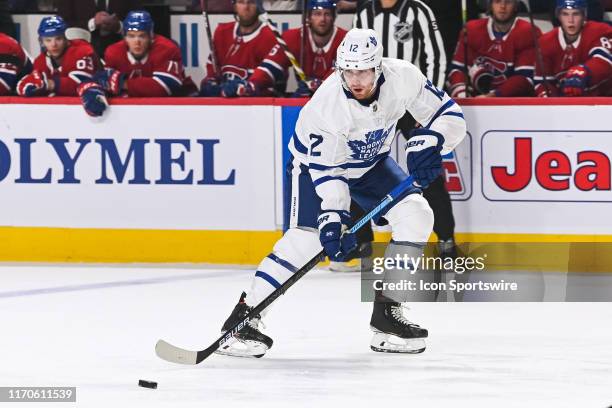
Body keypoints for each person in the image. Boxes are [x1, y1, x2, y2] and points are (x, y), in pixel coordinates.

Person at [216, 28, 466, 357]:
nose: (355, 80)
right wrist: (335, 217)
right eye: (348, 71)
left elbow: (449, 114)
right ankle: (244, 319)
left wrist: (436, 139)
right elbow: (329, 172)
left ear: (378, 68)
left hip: (371, 165)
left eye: (362, 70)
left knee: (417, 215)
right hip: (315, 170)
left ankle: (386, 315)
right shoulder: (326, 107)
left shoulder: (403, 77)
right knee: (307, 241)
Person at [248, 0, 347, 97]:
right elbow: (269, 68)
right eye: (317, 14)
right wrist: (251, 85)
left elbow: (346, 77)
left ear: (334, 17)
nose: (322, 19)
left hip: (337, 99)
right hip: (304, 98)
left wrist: (322, 85)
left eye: (327, 14)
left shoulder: (346, 40)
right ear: (308, 17)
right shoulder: (292, 37)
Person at [446, 0, 541, 98]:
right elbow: (457, 70)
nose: (502, 6)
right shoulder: (472, 29)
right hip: (475, 100)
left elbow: (525, 79)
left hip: (511, 104)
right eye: (497, 1)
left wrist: (492, 96)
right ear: (490, 5)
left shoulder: (529, 32)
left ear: (516, 6)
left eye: (508, 2)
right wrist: (462, 96)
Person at [94, 10, 197, 98]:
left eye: (142, 36)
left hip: (180, 102)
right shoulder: (113, 52)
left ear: (151, 36)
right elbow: (106, 84)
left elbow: (164, 87)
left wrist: (122, 83)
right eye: (131, 36)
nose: (137, 41)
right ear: (124, 37)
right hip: (137, 105)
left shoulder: (167, 48)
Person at [353, 0, 446, 89]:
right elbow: (354, 60)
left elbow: (436, 58)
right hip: (374, 97)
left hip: (410, 95)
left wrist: (431, 97)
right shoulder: (363, 13)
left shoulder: (417, 10)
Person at [199, 0, 279, 97]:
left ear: (259, 5)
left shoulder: (269, 37)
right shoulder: (222, 32)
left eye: (251, 2)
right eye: (241, 2)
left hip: (255, 106)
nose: (246, 7)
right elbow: (212, 73)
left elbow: (275, 85)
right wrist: (210, 83)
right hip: (223, 103)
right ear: (234, 6)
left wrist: (247, 89)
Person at [534, 0, 612, 97]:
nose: (570, 20)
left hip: (604, 100)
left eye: (576, 14)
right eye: (565, 14)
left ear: (584, 15)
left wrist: (582, 71)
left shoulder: (600, 30)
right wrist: (549, 99)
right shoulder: (545, 42)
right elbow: (543, 83)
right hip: (566, 105)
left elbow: (604, 60)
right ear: (558, 16)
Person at [16, 15, 100, 97]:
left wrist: (50, 84)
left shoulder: (81, 50)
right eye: (48, 40)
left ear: (66, 39)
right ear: (42, 42)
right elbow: (37, 84)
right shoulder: (40, 61)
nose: (54, 44)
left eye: (58, 39)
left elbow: (82, 83)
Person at [55, 0, 142, 57]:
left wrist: (119, 26)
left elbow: (139, 19)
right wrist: (92, 23)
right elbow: (62, 22)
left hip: (122, 52)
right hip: (80, 52)